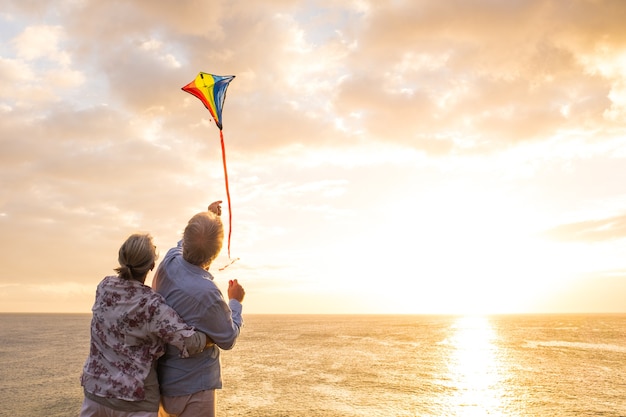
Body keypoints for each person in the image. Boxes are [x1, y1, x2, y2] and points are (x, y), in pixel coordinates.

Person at [80, 233, 213, 417]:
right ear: (151, 266)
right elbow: (190, 342)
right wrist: (216, 335)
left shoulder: (104, 287)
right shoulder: (152, 305)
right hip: (136, 403)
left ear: (121, 258)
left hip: (95, 394)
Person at [153, 201, 245, 417]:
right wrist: (236, 302)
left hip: (164, 380)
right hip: (194, 386)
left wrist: (209, 217)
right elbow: (228, 338)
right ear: (214, 255)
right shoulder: (208, 293)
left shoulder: (169, 261)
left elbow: (188, 247)